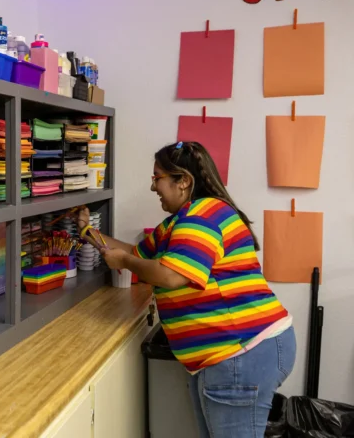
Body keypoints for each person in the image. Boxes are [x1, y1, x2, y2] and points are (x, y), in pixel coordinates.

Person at [77, 141, 296, 438]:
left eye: (158, 178)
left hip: (240, 351)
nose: (153, 187)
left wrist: (126, 261)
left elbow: (170, 275)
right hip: (232, 352)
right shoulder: (178, 223)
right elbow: (139, 254)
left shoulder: (202, 218)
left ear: (183, 181)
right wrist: (88, 233)